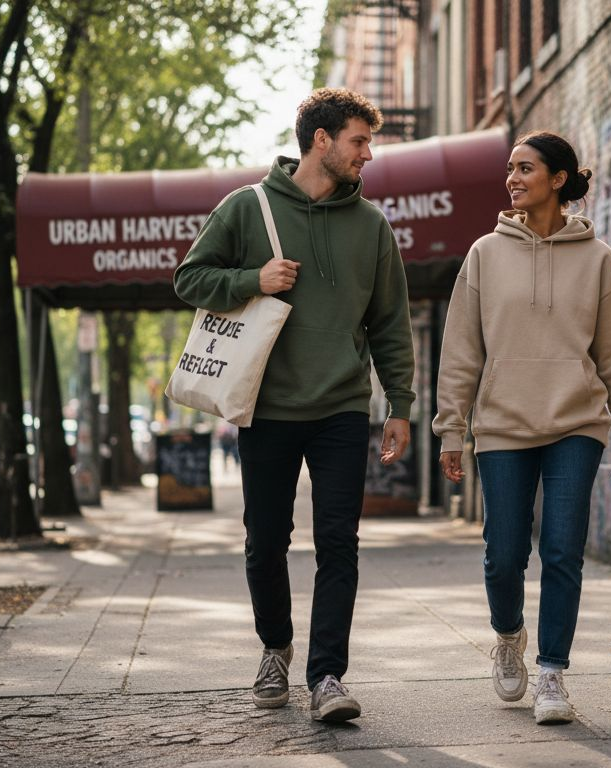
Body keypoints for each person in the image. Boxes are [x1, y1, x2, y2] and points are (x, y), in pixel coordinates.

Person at [173, 88, 415, 723]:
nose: (368, 155)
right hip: (268, 406)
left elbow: (390, 323)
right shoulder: (246, 207)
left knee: (339, 542)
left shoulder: (371, 226)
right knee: (265, 541)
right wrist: (252, 280)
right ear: (321, 140)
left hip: (341, 407)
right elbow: (189, 278)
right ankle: (275, 648)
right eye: (359, 141)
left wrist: (400, 403)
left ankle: (326, 675)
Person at [432, 131, 611, 725]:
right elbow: (461, 350)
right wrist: (452, 428)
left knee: (562, 550)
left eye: (525, 169)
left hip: (577, 422)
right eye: (510, 169)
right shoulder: (484, 254)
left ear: (558, 179)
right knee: (503, 553)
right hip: (502, 422)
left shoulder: (597, 259)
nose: (512, 179)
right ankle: (508, 636)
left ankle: (551, 672)